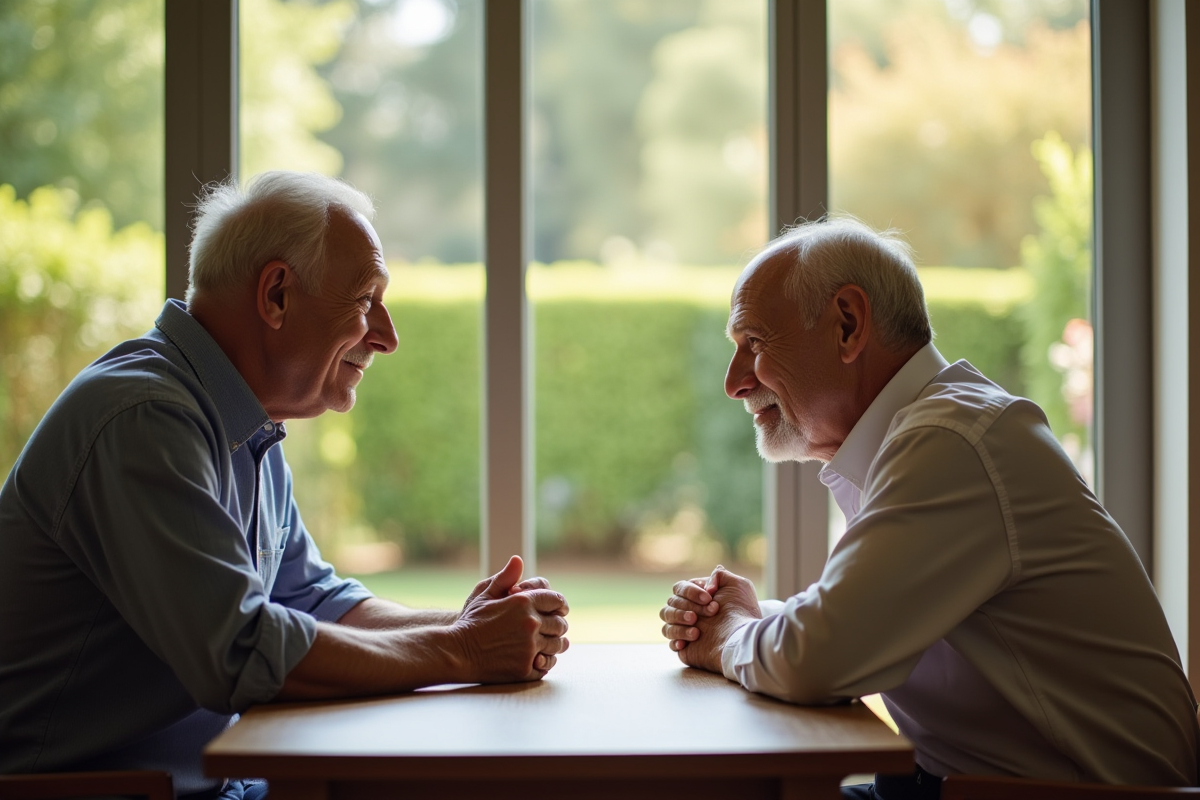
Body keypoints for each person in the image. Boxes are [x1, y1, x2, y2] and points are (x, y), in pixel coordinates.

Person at [0, 171, 569, 798]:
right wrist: (461, 650)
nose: (387, 335)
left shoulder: (241, 423)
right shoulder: (144, 419)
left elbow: (314, 600)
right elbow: (241, 650)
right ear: (276, 296)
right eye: (364, 299)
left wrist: (465, 622)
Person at [659, 216, 1197, 798]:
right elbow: (855, 626)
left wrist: (728, 636)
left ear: (847, 324)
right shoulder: (925, 435)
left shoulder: (952, 440)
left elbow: (820, 659)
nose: (734, 382)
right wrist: (758, 615)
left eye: (755, 344)